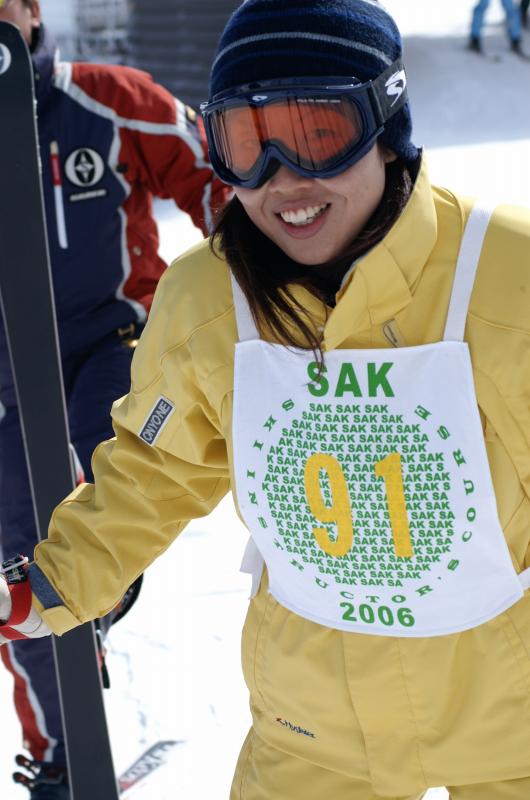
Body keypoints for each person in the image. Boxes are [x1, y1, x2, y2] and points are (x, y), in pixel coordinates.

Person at [2, 0, 530, 797]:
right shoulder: (211, 300)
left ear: (385, 125)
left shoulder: (503, 277)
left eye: (317, 134)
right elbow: (156, 470)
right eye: (247, 145)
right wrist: (55, 581)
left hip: (509, 722)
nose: (283, 179)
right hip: (313, 730)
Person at [0, 0, 228, 796]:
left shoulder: (107, 98)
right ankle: (64, 753)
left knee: (100, 455)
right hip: (7, 381)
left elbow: (216, 176)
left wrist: (257, 282)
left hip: (115, 340)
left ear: (30, 11)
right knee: (18, 560)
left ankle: (105, 568)